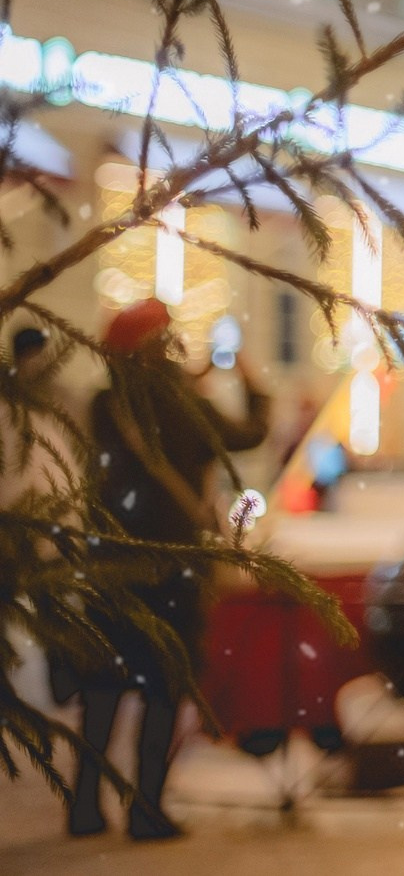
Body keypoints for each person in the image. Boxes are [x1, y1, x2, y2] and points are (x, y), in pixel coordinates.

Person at [68, 296, 271, 841]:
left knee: (104, 689)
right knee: (164, 687)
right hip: (172, 569)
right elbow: (249, 433)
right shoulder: (185, 404)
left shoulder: (104, 406)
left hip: (110, 566)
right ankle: (146, 808)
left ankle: (85, 806)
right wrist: (248, 377)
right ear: (161, 348)